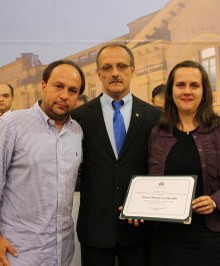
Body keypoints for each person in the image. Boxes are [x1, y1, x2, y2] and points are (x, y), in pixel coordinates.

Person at [0, 60, 85, 265]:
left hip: (61, 250)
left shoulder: (77, 131)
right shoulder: (10, 125)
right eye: (58, 86)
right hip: (18, 252)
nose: (64, 96)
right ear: (43, 86)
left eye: (72, 90)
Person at [148, 60, 220, 266]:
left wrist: (216, 201)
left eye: (194, 85)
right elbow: (149, 180)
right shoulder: (157, 133)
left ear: (204, 92)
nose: (187, 91)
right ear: (171, 92)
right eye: (180, 85)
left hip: (216, 239)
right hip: (167, 241)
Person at [71, 43, 161, 266]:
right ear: (99, 73)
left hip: (140, 227)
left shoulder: (155, 117)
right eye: (107, 67)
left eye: (121, 66)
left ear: (132, 69)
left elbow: (158, 168)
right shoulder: (79, 118)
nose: (115, 73)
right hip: (95, 227)